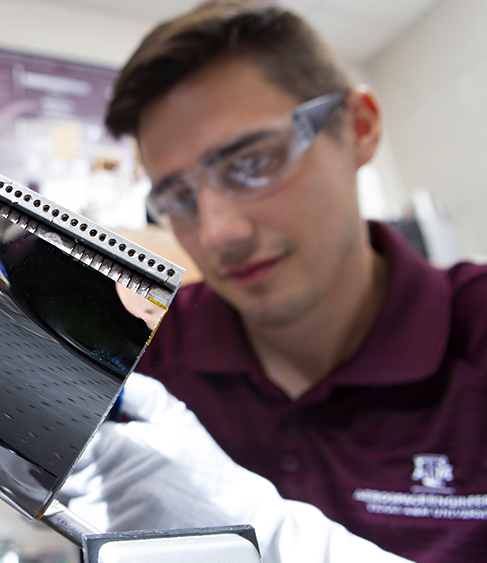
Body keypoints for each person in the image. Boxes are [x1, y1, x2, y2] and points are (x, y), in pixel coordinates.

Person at [83, 1, 487, 562]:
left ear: (360, 128)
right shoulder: (152, 348)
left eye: (252, 163)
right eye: (178, 198)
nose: (218, 233)